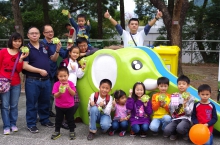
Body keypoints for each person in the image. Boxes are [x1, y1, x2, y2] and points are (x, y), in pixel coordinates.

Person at [23, 27, 61, 133]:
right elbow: (24, 66)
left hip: (46, 80)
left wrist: (57, 50)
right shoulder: (26, 48)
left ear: (40, 35)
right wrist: (39, 70)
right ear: (28, 35)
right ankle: (31, 124)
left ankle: (44, 119)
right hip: (32, 80)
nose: (34, 35)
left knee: (45, 101)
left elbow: (53, 58)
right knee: (32, 103)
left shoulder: (44, 46)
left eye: (36, 33)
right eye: (32, 33)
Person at [0, 32, 29, 135]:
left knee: (14, 105)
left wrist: (21, 59)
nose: (17, 43)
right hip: (3, 83)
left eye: (19, 41)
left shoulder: (21, 53)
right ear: (11, 41)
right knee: (4, 105)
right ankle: (6, 126)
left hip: (15, 82)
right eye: (15, 41)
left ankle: (13, 124)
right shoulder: (3, 52)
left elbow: (18, 70)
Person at [42, 24, 68, 117]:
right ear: (44, 33)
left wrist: (68, 48)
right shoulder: (42, 44)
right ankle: (42, 113)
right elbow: (53, 58)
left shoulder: (55, 43)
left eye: (51, 31)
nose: (50, 33)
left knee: (52, 93)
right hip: (43, 72)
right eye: (48, 31)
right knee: (43, 95)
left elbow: (64, 55)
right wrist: (57, 50)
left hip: (53, 72)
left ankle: (48, 111)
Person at [60, 46, 85, 129]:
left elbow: (79, 76)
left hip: (73, 86)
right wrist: (70, 69)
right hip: (64, 85)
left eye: (77, 53)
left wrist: (82, 69)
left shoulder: (77, 63)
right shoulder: (65, 62)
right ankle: (62, 121)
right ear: (70, 53)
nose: (75, 54)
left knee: (75, 104)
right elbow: (61, 73)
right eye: (73, 52)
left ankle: (67, 119)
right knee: (64, 104)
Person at [163, 75, 195, 141]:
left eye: (183, 84)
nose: (181, 85)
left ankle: (186, 132)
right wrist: (174, 99)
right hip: (176, 118)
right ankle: (175, 133)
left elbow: (189, 113)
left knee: (180, 128)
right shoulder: (175, 95)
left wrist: (185, 104)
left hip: (186, 118)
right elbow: (171, 111)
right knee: (166, 130)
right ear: (177, 85)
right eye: (179, 84)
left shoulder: (191, 97)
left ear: (188, 85)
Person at [51, 66, 76, 140]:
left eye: (65, 76)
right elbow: (55, 95)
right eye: (60, 76)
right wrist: (60, 91)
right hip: (59, 106)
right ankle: (57, 131)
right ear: (57, 76)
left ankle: (72, 131)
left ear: (68, 75)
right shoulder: (56, 84)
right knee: (58, 119)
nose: (63, 78)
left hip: (70, 106)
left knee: (70, 119)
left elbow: (73, 93)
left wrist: (69, 88)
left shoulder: (71, 84)